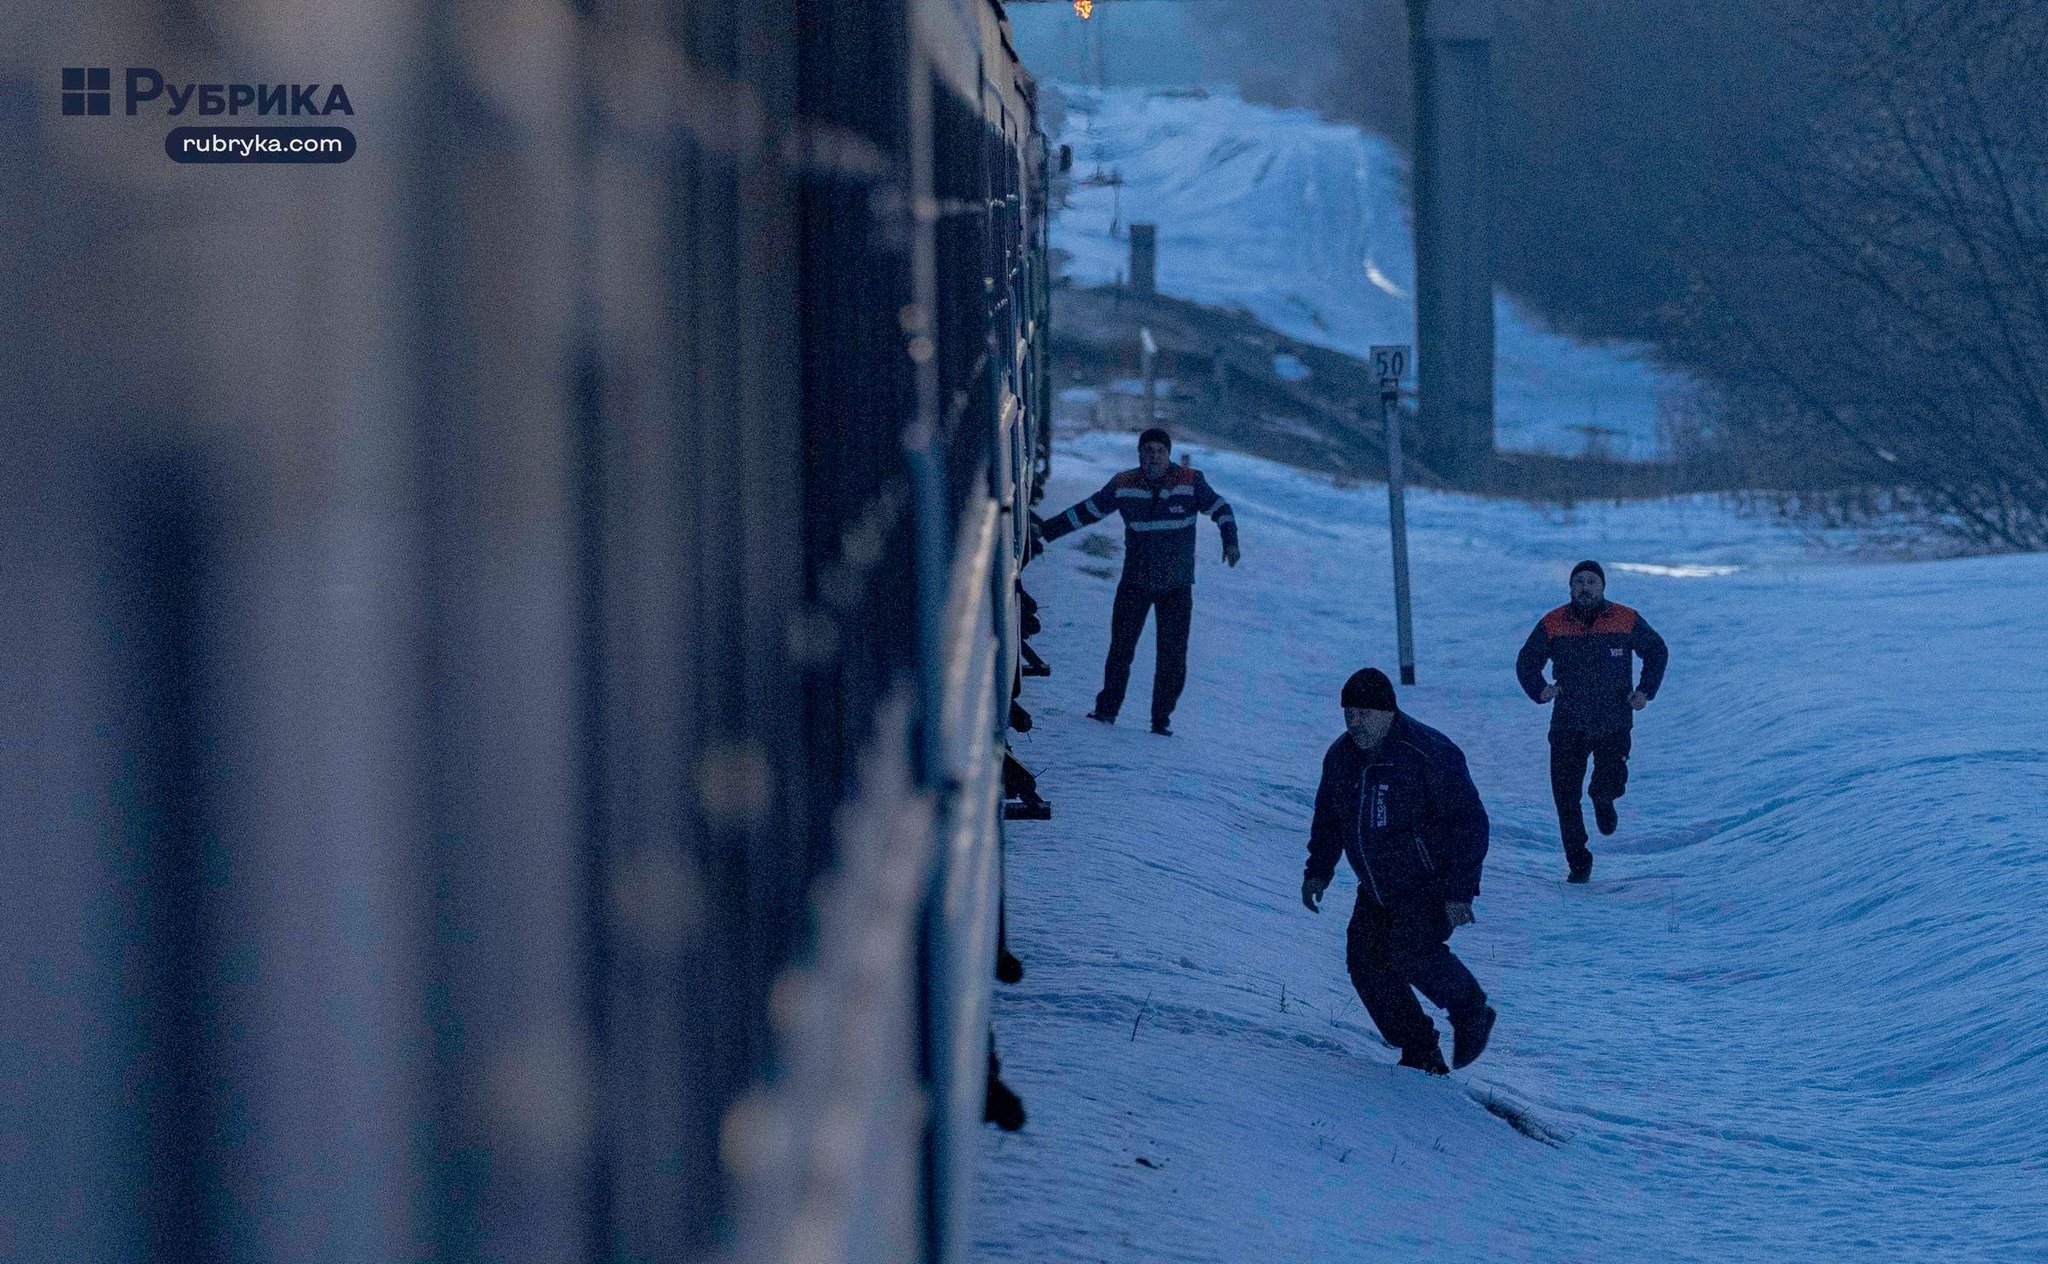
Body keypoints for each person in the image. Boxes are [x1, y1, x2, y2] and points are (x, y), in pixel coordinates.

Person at [1302, 668, 1496, 1075]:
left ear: (1388, 712)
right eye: (1348, 713)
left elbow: (1471, 824)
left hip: (1431, 884)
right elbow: (1328, 819)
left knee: (1412, 953)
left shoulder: (1427, 754)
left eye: (1364, 714)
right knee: (1366, 965)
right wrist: (1318, 870)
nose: (1354, 723)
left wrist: (1459, 891)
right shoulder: (1340, 760)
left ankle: (1471, 1011)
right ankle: (1419, 1049)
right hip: (1377, 888)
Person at [1036, 427, 1239, 735]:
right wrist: (1045, 531)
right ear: (1139, 455)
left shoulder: (1190, 482)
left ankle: (1161, 721)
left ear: (1168, 455)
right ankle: (1106, 711)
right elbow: (1087, 511)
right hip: (1135, 582)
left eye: (1159, 451)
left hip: (1177, 585)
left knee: (1172, 656)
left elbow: (1221, 508)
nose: (1153, 456)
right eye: (1147, 451)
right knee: (1120, 649)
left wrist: (1230, 541)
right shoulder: (1123, 484)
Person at [1515, 560, 1670, 883]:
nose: (1585, 587)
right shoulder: (1554, 622)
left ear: (1603, 587)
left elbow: (1656, 650)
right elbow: (1527, 661)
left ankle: (1604, 798)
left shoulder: (1625, 619)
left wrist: (1644, 691)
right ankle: (1579, 863)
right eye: (1579, 582)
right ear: (1570, 588)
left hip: (1613, 720)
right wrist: (1540, 689)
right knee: (1565, 797)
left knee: (1609, 777)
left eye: (1592, 582)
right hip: (1568, 723)